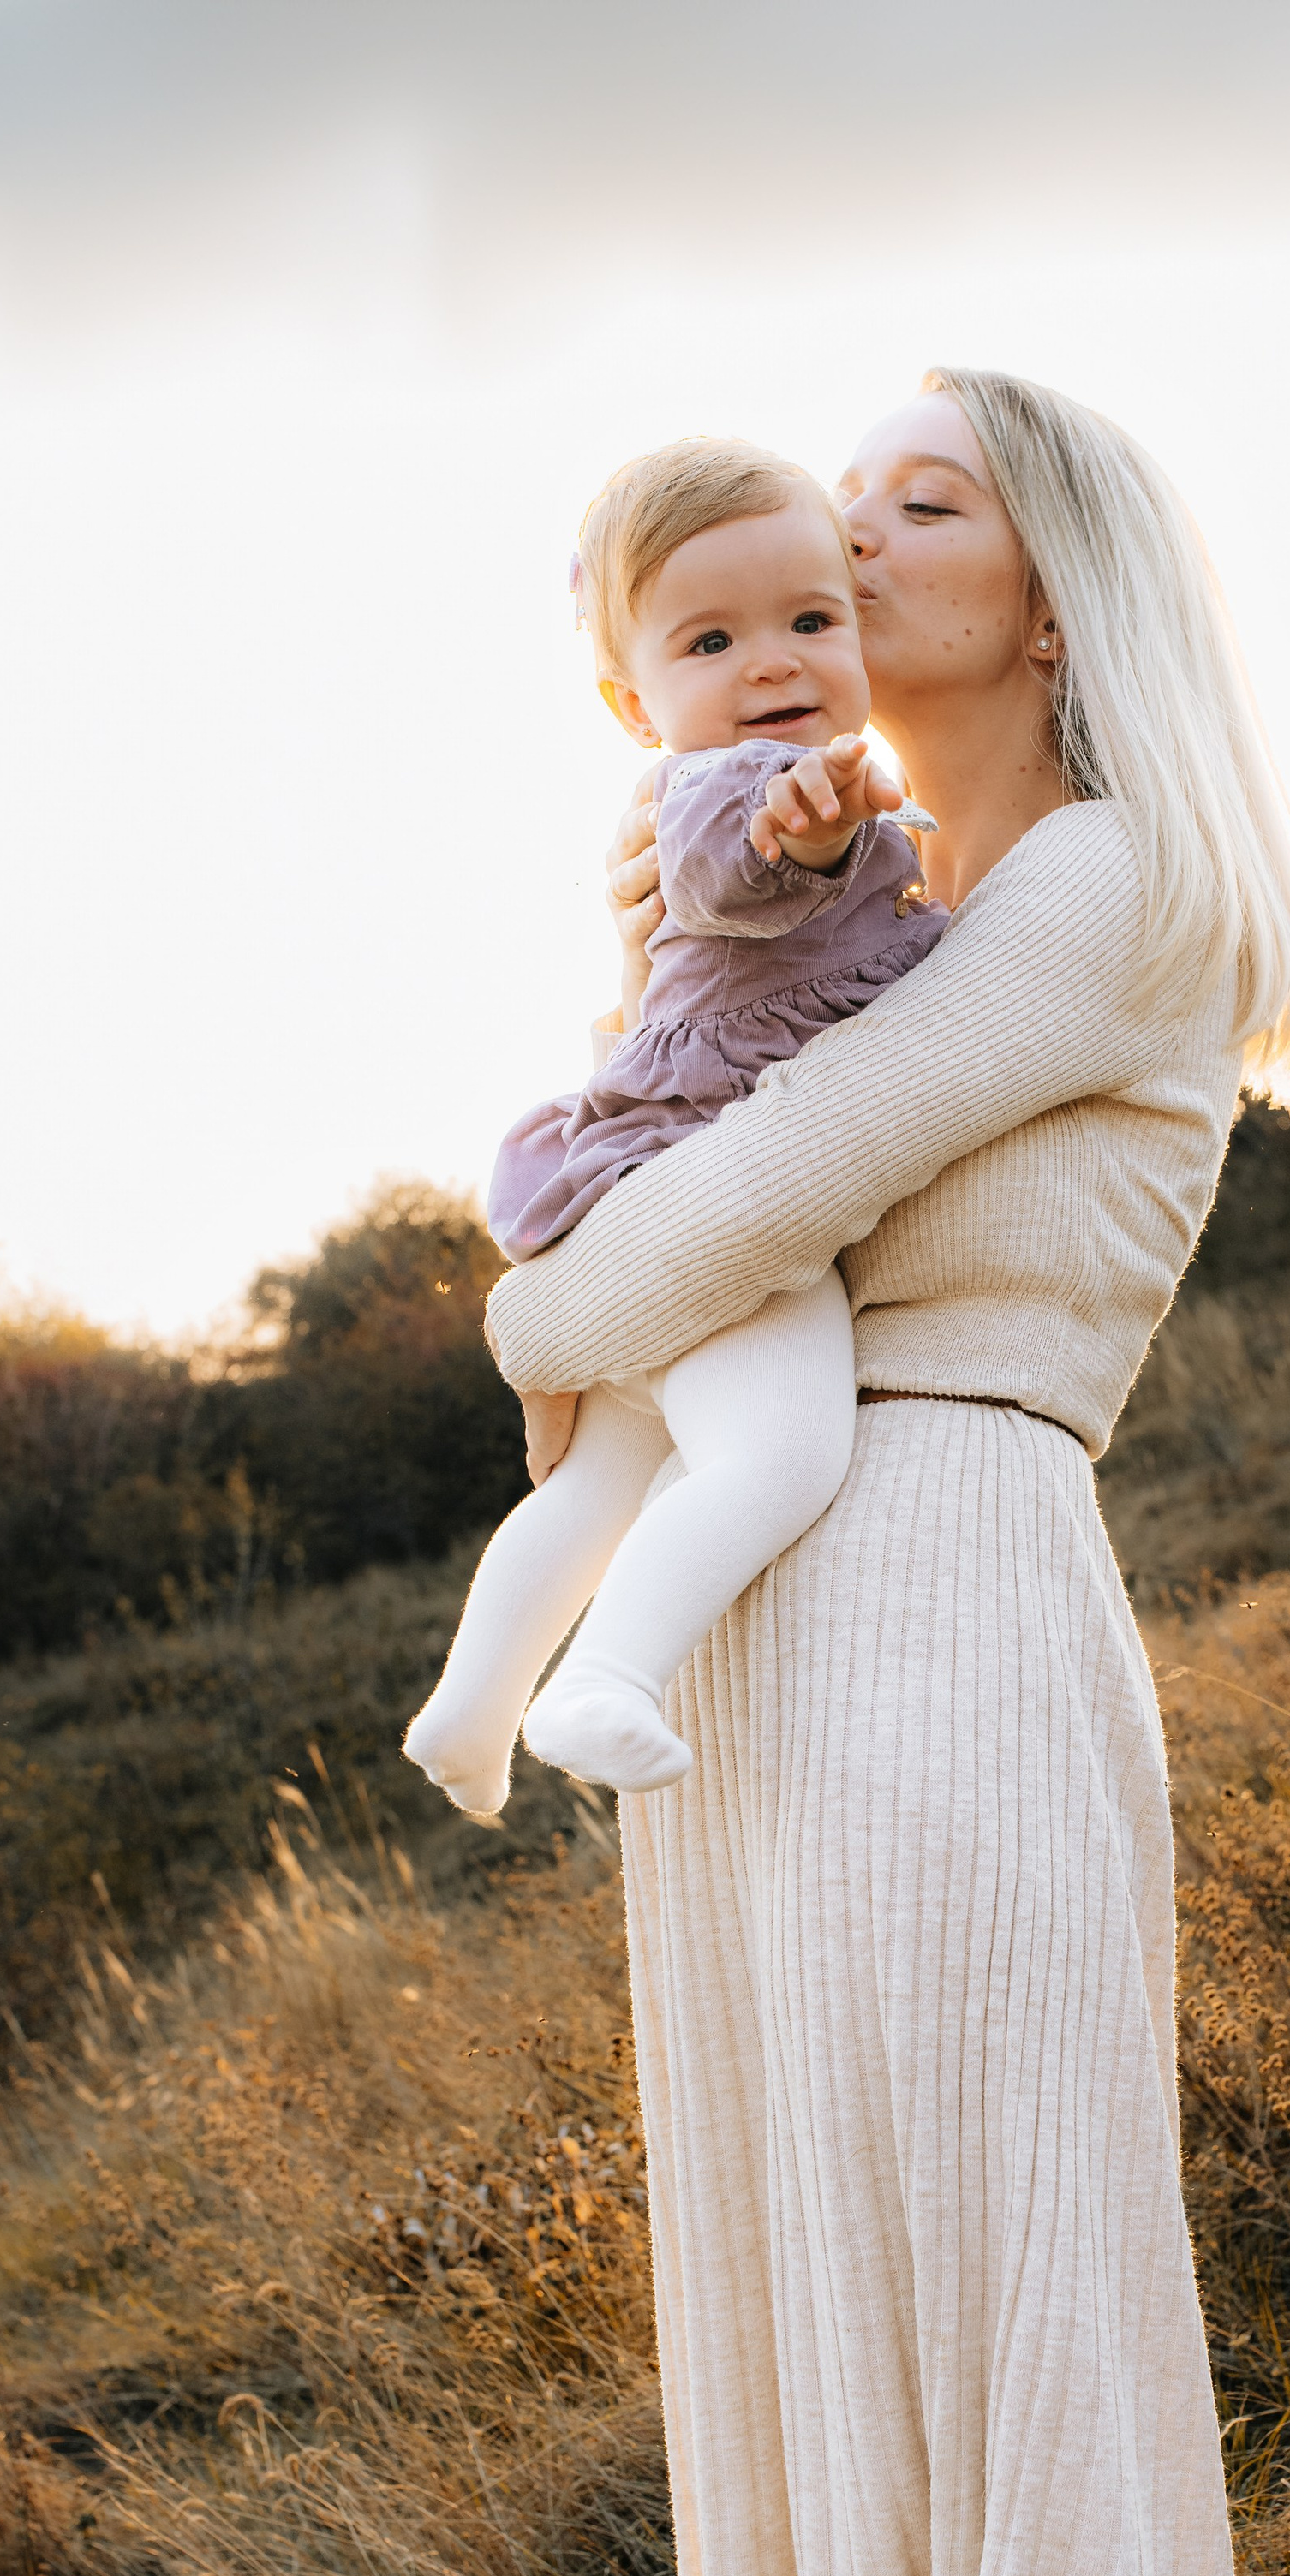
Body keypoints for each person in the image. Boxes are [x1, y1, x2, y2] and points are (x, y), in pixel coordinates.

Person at [485, 367, 1290, 2576]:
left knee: (1027, 2276)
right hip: (786, 1629)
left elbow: (669, 1256)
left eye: (920, 506)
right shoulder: (915, 903)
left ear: (1058, 575)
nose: (847, 546)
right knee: (845, 2260)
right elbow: (689, 1197)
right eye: (834, 513)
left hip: (957, 1572)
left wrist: (559, 1297)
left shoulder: (1109, 879)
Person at [403, 438, 945, 1821]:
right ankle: (609, 1679)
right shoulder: (722, 795)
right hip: (703, 1173)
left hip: (638, 1165)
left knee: (607, 1475)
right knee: (777, 1454)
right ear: (634, 703)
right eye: (710, 640)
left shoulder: (833, 788)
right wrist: (815, 831)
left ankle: (471, 1709)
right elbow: (736, 866)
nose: (773, 665)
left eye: (812, 622)